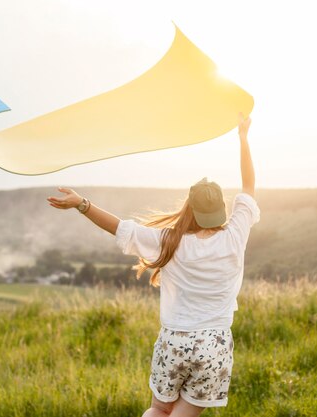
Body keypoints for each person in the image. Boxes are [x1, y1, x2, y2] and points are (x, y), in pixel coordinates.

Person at [46, 112, 260, 417]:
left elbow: (120, 227)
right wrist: (243, 137)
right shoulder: (236, 234)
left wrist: (82, 204)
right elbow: (249, 185)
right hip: (214, 345)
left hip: (174, 341)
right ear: (222, 210)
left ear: (190, 210)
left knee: (159, 410)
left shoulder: (168, 241)